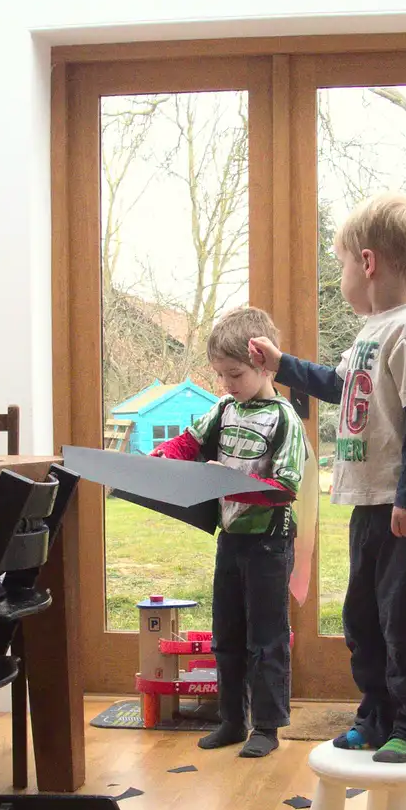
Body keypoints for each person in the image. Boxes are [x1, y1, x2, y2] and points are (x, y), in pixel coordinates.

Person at [248, 192, 406, 764]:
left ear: (367, 263)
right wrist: (280, 364)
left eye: (341, 262)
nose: (341, 274)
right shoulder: (370, 333)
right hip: (372, 505)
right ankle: (378, 716)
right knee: (365, 620)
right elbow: (338, 385)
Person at [153, 306, 308, 758]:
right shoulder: (222, 409)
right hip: (231, 540)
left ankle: (267, 725)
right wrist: (164, 457)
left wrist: (230, 482)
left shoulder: (285, 419)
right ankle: (232, 720)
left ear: (263, 363)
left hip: (270, 543)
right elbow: (188, 442)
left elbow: (285, 489)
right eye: (220, 375)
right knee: (228, 633)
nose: (227, 384)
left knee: (267, 636)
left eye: (235, 374)